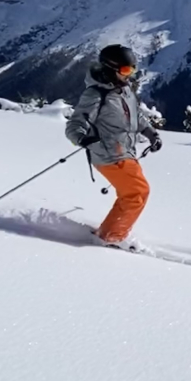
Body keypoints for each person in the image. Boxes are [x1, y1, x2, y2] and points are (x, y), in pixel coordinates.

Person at [64, 44, 162, 246]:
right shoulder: (96, 94)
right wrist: (82, 139)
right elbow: (74, 125)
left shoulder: (125, 90)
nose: (130, 75)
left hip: (125, 152)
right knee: (136, 193)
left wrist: (151, 134)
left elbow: (137, 116)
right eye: (126, 70)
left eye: (132, 70)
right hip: (108, 154)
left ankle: (110, 232)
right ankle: (111, 238)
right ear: (110, 68)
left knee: (134, 193)